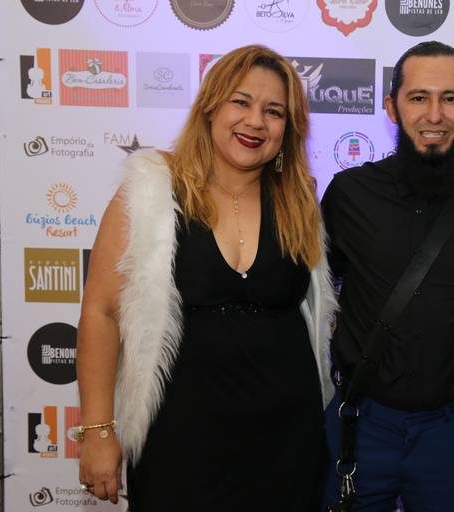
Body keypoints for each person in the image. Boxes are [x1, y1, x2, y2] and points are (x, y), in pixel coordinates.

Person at [75, 45, 336, 511]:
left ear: (288, 127)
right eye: (241, 102)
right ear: (211, 106)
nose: (255, 122)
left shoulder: (299, 202)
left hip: (287, 440)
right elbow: (101, 312)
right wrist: (98, 432)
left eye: (273, 111)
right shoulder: (151, 188)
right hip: (178, 440)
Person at [320, 41, 454, 510]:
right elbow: (321, 294)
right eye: (418, 97)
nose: (435, 114)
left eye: (451, 98)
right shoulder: (348, 194)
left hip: (451, 431)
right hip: (360, 423)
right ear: (392, 107)